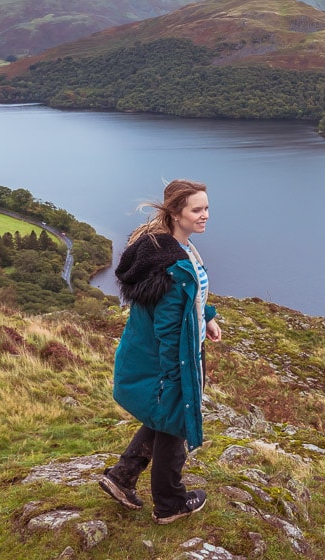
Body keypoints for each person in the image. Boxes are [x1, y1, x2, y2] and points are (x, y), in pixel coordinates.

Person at [99, 179, 222, 523]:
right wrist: (175, 378)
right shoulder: (171, 265)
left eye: (207, 208)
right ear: (175, 212)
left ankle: (121, 477)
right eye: (197, 210)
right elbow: (169, 328)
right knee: (175, 422)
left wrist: (207, 318)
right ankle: (170, 504)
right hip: (169, 359)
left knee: (166, 417)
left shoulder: (173, 248)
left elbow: (190, 301)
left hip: (165, 353)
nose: (205, 215)